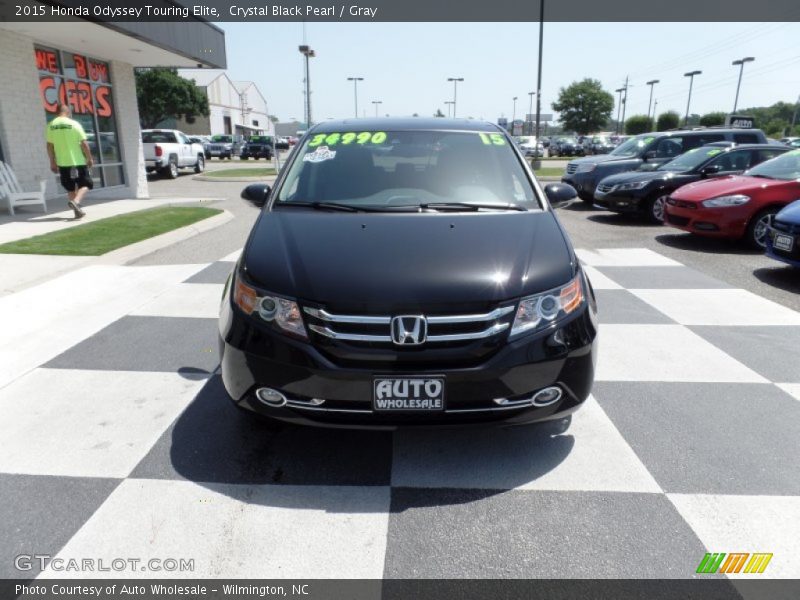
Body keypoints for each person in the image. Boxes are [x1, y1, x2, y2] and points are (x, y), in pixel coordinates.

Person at [46, 104, 94, 218]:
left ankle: (77, 212)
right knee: (86, 184)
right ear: (67, 112)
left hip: (63, 163)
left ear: (57, 112)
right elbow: (84, 143)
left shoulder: (51, 125)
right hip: (77, 161)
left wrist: (52, 162)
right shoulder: (74, 124)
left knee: (70, 187)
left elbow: (49, 146)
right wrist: (89, 158)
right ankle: (76, 202)